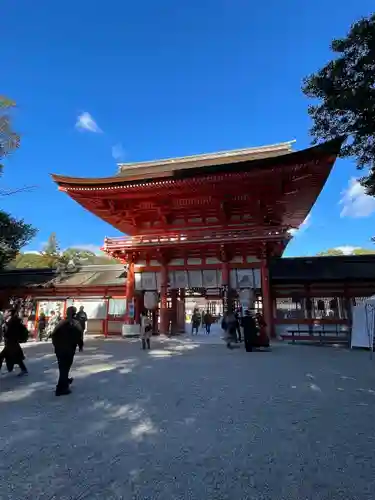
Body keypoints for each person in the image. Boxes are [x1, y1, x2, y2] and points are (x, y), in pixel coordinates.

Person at [51, 306, 83, 396]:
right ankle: (61, 389)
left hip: (59, 349)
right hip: (69, 349)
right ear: (74, 313)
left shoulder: (61, 323)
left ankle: (65, 382)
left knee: (62, 367)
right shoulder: (76, 323)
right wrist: (80, 345)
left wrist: (56, 345)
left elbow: (53, 334)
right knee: (65, 368)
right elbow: (79, 336)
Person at [0, 309, 29, 376]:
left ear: (10, 313)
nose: (4, 313)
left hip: (12, 342)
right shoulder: (9, 321)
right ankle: (23, 369)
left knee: (1, 356)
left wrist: (5, 330)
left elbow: (11, 332)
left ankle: (23, 370)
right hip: (11, 343)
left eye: (5, 312)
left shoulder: (14, 321)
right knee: (17, 357)